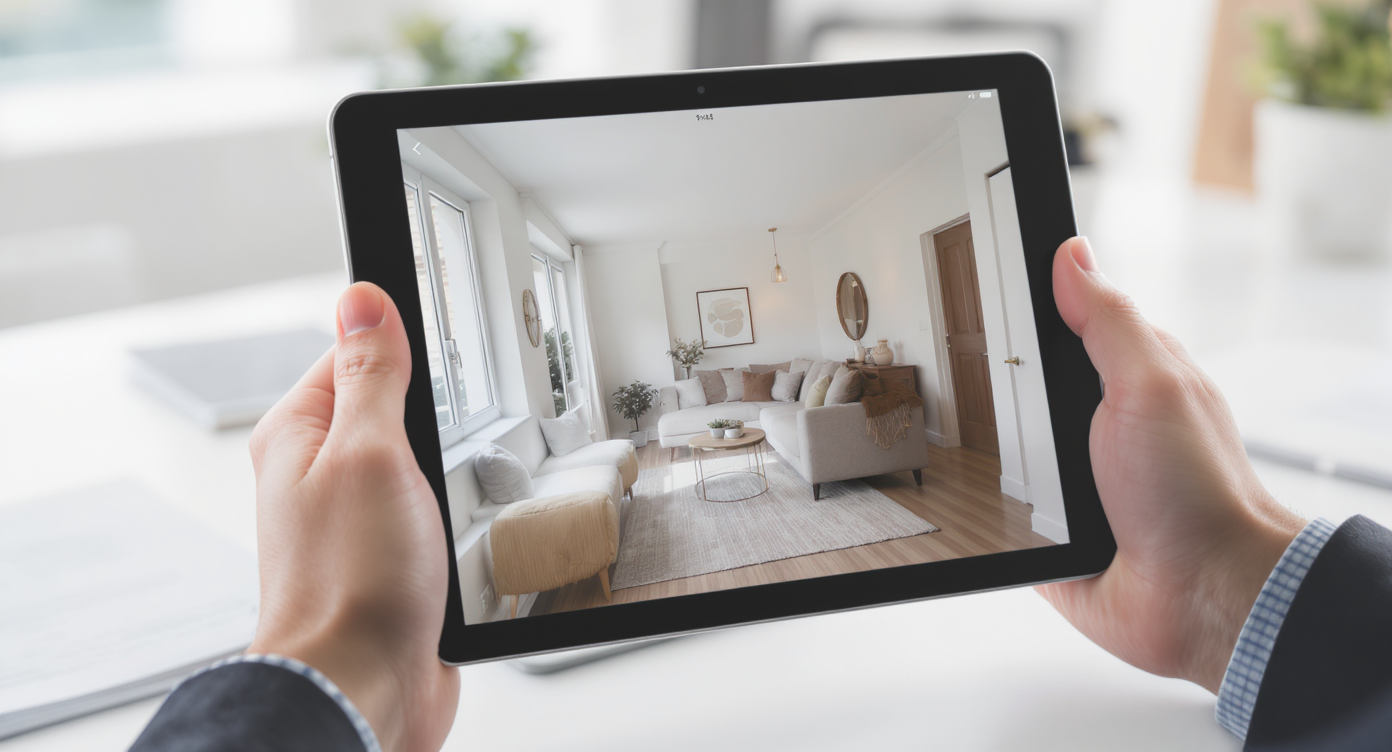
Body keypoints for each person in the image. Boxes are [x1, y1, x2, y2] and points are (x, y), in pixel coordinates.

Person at [129, 238, 1392, 752]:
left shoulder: (855, 366)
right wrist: (1233, 580)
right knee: (727, 427)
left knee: (769, 423)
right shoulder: (689, 379)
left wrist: (330, 655)